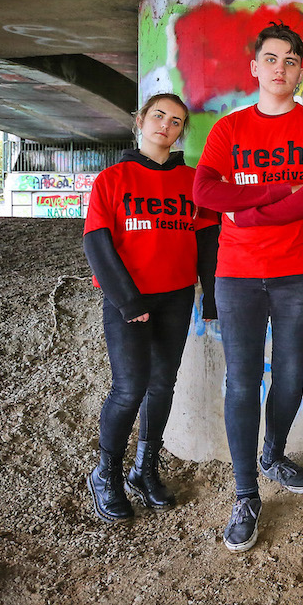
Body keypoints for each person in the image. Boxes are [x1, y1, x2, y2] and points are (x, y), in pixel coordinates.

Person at [193, 22, 303, 552]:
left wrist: (250, 207)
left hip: (298, 271)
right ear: (255, 67)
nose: (281, 68)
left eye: (291, 61)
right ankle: (246, 493)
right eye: (271, 59)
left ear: (301, 72)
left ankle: (273, 453)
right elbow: (204, 189)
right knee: (241, 381)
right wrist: (285, 191)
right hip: (236, 274)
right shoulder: (229, 129)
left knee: (288, 378)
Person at [83, 92, 219, 522]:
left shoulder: (193, 181)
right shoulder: (112, 179)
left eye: (176, 121)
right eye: (159, 116)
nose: (166, 125)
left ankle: (144, 470)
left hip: (177, 297)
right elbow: (97, 244)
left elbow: (207, 243)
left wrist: (212, 297)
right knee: (129, 388)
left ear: (182, 131)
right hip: (130, 299)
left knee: (163, 385)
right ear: (140, 120)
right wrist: (128, 300)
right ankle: (105, 474)